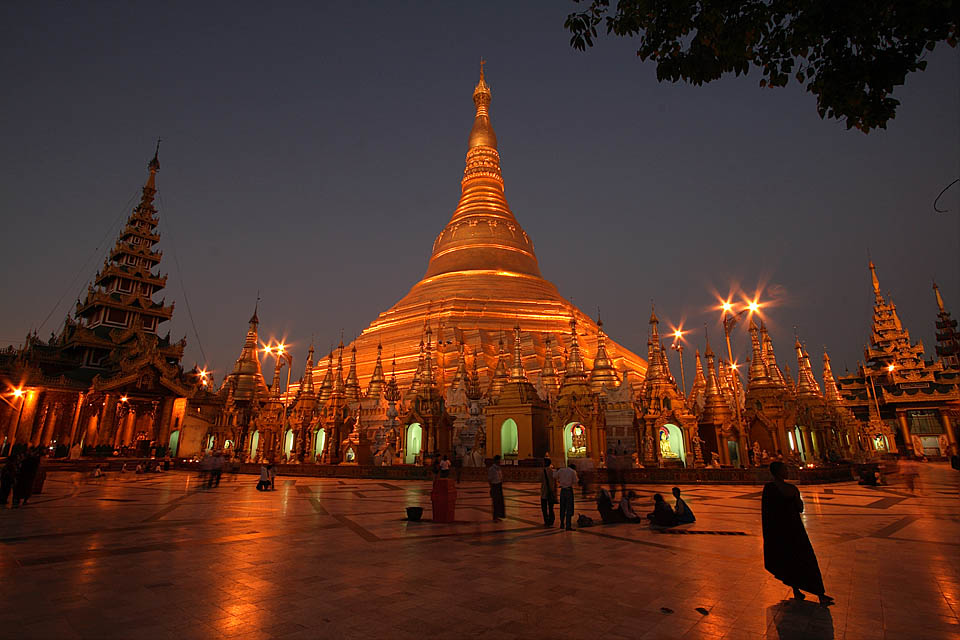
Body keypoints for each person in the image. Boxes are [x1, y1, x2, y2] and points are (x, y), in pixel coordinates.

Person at [762, 461, 834, 606]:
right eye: (785, 469)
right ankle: (820, 594)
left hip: (779, 531)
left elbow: (767, 513)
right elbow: (800, 508)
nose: (787, 471)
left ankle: (797, 590)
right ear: (779, 472)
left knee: (788, 560)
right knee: (805, 558)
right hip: (794, 528)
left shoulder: (768, 489)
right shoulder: (792, 489)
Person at [556, 462, 578, 530]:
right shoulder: (573, 472)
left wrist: (560, 480)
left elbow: (555, 476)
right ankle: (568, 525)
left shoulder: (561, 470)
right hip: (569, 490)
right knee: (569, 508)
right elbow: (575, 481)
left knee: (562, 507)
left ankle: (562, 523)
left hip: (562, 490)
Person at [539, 458, 557, 527]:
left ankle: (546, 521)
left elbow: (539, 479)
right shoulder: (553, 471)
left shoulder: (542, 471)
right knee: (551, 507)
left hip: (544, 491)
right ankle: (551, 521)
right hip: (551, 491)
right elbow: (555, 481)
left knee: (544, 508)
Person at [488, 455, 505, 521]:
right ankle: (495, 517)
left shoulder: (498, 468)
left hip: (499, 485)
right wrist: (491, 487)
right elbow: (489, 479)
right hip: (494, 486)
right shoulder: (492, 469)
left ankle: (498, 516)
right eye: (499, 460)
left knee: (499, 502)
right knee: (495, 502)